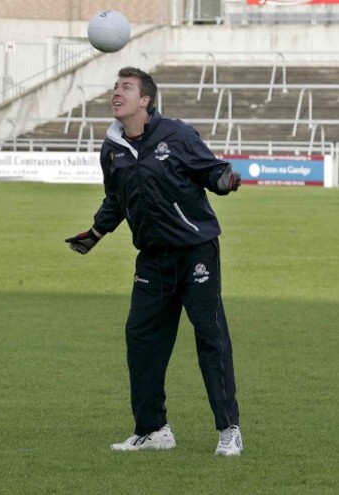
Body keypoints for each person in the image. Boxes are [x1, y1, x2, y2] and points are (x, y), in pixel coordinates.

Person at [65, 67, 243, 456]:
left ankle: (229, 429)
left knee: (211, 337)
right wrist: (94, 234)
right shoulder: (111, 149)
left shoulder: (177, 134)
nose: (116, 92)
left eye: (125, 87)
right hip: (152, 261)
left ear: (145, 100)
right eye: (115, 86)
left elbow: (212, 172)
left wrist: (226, 180)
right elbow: (116, 200)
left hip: (197, 252)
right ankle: (153, 430)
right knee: (141, 340)